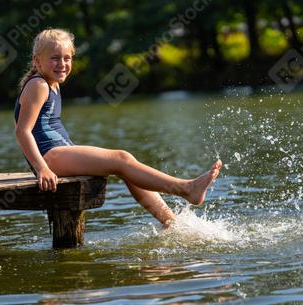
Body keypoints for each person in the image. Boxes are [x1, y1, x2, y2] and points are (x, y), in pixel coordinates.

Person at [14, 28, 222, 228]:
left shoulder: (51, 83)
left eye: (67, 58)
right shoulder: (38, 85)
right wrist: (42, 168)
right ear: (36, 60)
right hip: (49, 157)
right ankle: (186, 188)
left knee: (128, 169)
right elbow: (22, 131)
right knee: (121, 159)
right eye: (55, 58)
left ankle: (170, 222)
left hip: (57, 152)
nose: (62, 64)